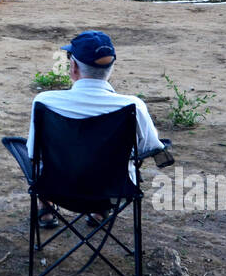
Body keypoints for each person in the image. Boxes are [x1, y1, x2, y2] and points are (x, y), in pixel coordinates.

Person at [27, 30, 166, 228]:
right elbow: (150, 148)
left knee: (41, 160)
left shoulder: (44, 102)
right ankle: (99, 212)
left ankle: (47, 209)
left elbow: (33, 152)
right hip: (113, 190)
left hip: (56, 188)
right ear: (112, 68)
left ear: (73, 67)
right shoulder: (132, 106)